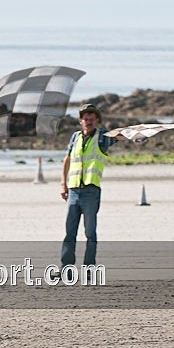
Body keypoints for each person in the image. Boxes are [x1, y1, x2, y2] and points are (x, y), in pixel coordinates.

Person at [59, 103, 123, 269]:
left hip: (91, 192)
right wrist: (63, 184)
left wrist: (137, 133)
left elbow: (120, 136)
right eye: (85, 119)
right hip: (73, 191)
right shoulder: (75, 137)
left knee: (90, 233)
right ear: (80, 121)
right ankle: (66, 268)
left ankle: (89, 268)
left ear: (97, 121)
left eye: (92, 119)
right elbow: (67, 160)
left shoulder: (102, 137)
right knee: (69, 233)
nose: (88, 121)